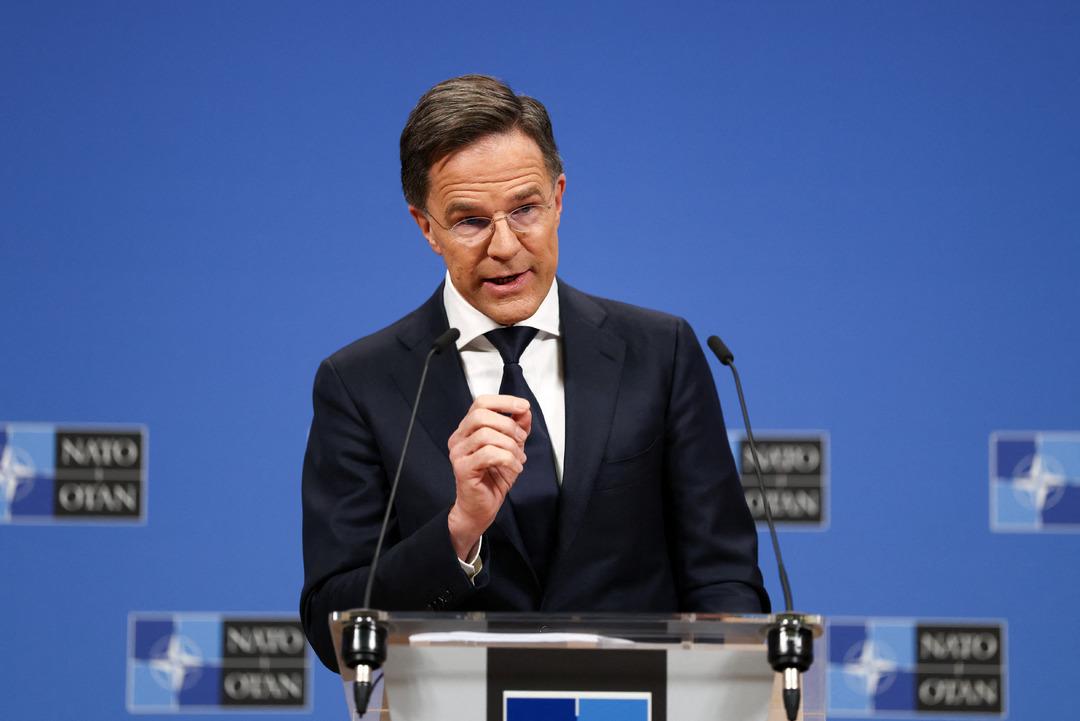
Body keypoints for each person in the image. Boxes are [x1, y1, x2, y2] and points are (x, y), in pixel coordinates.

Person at [300, 75, 769, 671]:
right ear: (426, 227)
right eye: (470, 221)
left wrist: (734, 685)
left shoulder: (659, 352)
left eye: (525, 209)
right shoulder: (361, 383)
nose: (504, 246)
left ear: (559, 197)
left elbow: (723, 576)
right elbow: (334, 626)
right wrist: (459, 530)